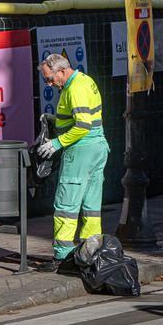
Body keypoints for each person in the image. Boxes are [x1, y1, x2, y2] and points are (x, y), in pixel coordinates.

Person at [35, 53, 108, 271]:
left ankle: (63, 258)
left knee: (66, 205)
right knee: (91, 207)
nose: (49, 83)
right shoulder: (85, 81)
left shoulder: (74, 89)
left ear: (62, 71)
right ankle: (91, 253)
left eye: (50, 78)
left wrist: (56, 144)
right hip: (98, 148)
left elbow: (83, 125)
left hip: (81, 151)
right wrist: (54, 121)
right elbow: (84, 120)